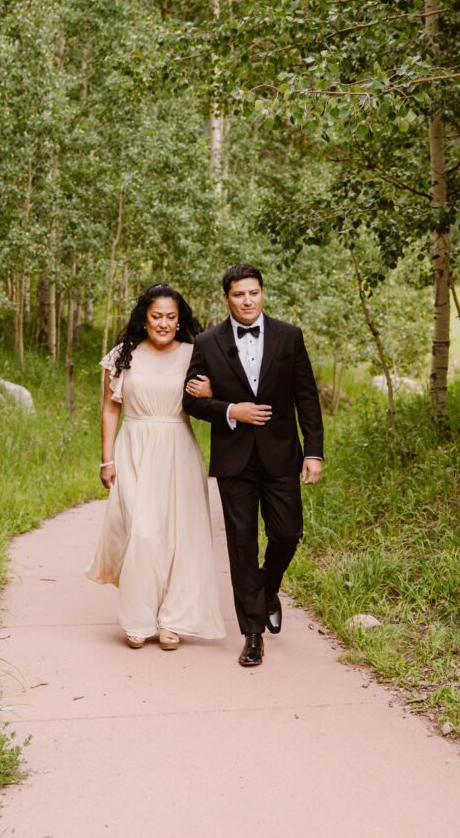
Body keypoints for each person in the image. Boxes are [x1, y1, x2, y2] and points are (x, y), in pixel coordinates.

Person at [183, 263, 323, 667]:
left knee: (287, 532)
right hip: (234, 459)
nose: (247, 300)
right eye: (239, 294)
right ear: (226, 298)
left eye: (253, 292)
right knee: (241, 544)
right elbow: (190, 400)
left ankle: (267, 586)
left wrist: (314, 451)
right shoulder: (208, 342)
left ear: (262, 293)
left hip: (281, 454)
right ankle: (253, 634)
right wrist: (231, 409)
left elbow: (306, 397)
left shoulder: (289, 336)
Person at [87, 283, 226, 650]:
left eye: (171, 317)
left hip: (178, 447)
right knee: (141, 532)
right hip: (133, 446)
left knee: (179, 537)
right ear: (143, 318)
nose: (163, 323)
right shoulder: (122, 356)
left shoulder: (196, 353)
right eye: (156, 316)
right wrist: (107, 459)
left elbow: (215, 395)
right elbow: (109, 408)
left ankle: (172, 620)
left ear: (179, 321)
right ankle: (137, 618)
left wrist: (211, 392)